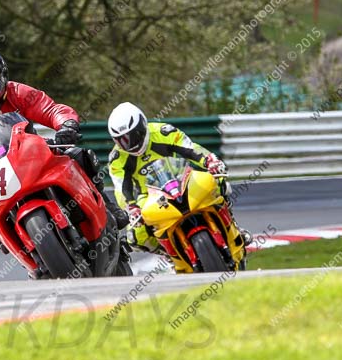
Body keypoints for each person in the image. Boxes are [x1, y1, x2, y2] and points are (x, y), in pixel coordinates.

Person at [0, 48, 128, 252]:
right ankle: (34, 258)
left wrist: (66, 124)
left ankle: (107, 206)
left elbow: (51, 110)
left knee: (77, 155)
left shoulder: (18, 93)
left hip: (29, 157)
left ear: (3, 81)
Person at [107, 102, 251, 258]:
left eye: (133, 136)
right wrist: (131, 207)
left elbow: (191, 148)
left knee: (219, 182)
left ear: (142, 124)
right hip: (149, 196)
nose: (130, 144)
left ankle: (233, 225)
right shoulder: (116, 159)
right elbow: (121, 188)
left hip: (183, 178)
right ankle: (170, 254)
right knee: (135, 236)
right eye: (122, 140)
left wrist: (209, 161)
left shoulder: (163, 132)